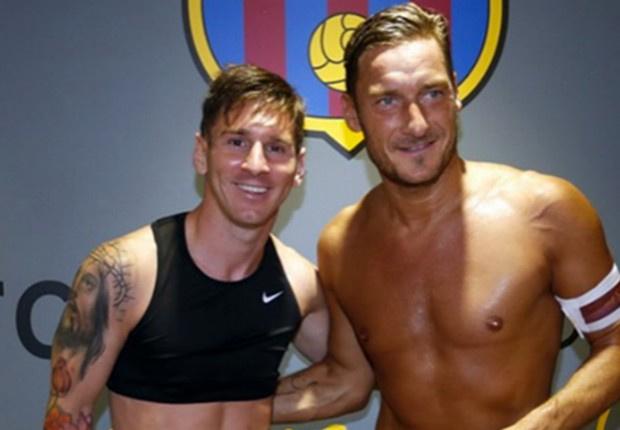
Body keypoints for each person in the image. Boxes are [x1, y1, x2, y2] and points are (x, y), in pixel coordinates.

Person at [273, 3, 620, 429]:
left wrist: (542, 425)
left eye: (432, 93)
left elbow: (616, 342)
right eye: (387, 101)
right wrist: (216, 405)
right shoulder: (342, 243)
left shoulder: (546, 213)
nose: (416, 123)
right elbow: (347, 380)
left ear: (455, 92)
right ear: (352, 113)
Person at [43, 64, 328, 430]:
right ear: (201, 153)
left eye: (275, 148)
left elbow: (354, 378)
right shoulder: (123, 274)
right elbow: (65, 416)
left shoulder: (301, 284)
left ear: (299, 166)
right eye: (237, 142)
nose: (256, 165)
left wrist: (258, 406)